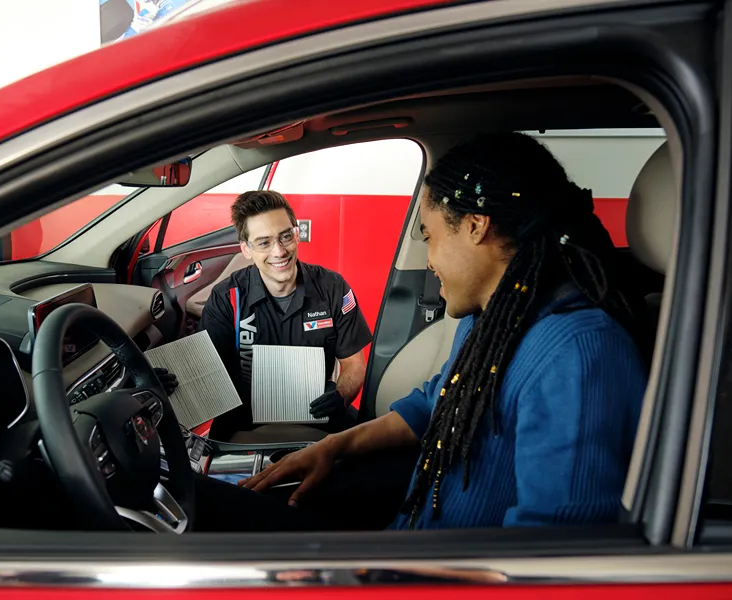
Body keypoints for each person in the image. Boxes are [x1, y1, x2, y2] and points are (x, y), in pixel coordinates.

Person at [195, 132, 647, 531]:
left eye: (428, 235)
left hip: (429, 571)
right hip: (409, 525)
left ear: (475, 226)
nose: (427, 259)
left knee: (199, 508)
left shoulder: (578, 355)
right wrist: (334, 448)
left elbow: (552, 558)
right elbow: (436, 401)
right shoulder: (488, 319)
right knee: (208, 501)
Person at [192, 190, 374, 442]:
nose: (279, 251)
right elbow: (206, 373)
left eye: (285, 236)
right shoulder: (227, 298)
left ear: (296, 235)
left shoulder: (333, 287)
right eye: (264, 242)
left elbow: (355, 364)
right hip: (246, 425)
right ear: (246, 249)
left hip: (317, 417)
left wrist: (341, 395)